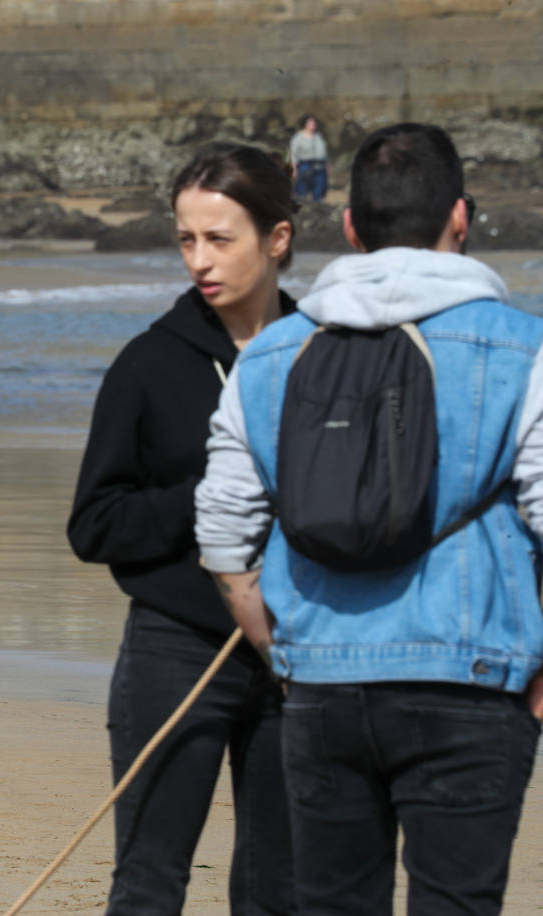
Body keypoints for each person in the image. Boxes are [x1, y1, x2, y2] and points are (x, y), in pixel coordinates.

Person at [196, 122, 543, 914]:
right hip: (473, 679)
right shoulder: (526, 350)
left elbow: (221, 530)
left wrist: (271, 642)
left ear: (350, 228)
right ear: (461, 217)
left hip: (320, 680)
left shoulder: (273, 354)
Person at [67, 143, 298, 914]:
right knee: (149, 883)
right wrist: (215, 494)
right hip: (174, 649)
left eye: (220, 239)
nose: (200, 259)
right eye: (186, 239)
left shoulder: (330, 354)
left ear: (278, 238)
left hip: (304, 650)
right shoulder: (147, 363)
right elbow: (94, 526)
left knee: (281, 890)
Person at [289, 114, 329, 202]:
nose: (313, 125)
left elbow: (324, 153)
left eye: (314, 123)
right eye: (310, 123)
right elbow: (293, 155)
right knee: (302, 189)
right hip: (305, 165)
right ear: (305, 124)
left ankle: (318, 205)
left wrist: (327, 166)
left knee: (320, 188)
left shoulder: (319, 136)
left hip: (320, 166)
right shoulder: (298, 138)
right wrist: (294, 169)